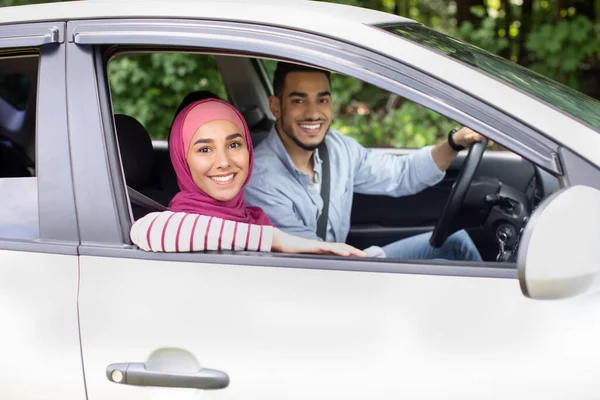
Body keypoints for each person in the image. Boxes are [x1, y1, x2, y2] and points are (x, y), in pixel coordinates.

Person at [244, 62, 483, 261]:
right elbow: (316, 261)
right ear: (276, 106)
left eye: (322, 100)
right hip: (322, 279)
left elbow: (400, 173)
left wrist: (454, 143)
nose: (313, 113)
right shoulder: (261, 181)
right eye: (299, 101)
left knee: (457, 241)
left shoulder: (338, 148)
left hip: (346, 264)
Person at [130, 98, 366, 257]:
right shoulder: (177, 223)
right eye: (204, 149)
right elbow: (148, 230)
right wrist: (277, 240)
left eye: (234, 144)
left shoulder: (254, 218)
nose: (223, 162)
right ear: (182, 160)